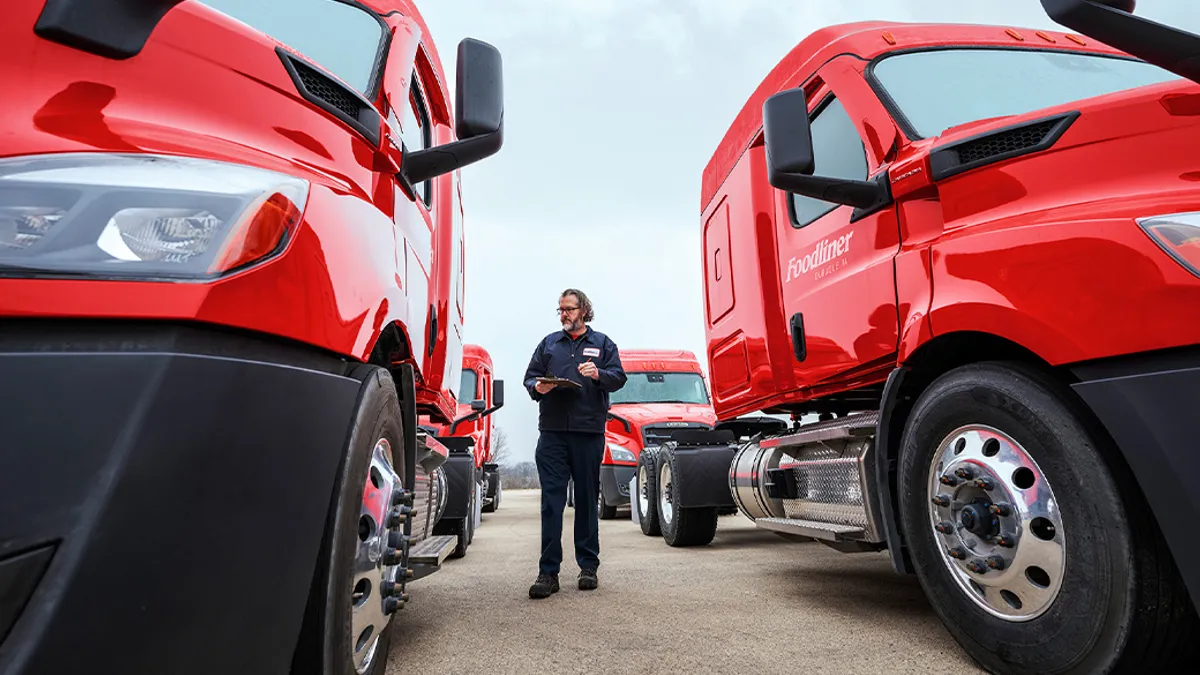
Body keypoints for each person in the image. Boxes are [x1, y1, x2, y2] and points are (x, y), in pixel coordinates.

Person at [523, 288, 626, 599]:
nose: (564, 314)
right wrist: (538, 386)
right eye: (561, 310)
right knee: (551, 503)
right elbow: (530, 377)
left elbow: (618, 377)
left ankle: (588, 566)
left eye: (569, 309)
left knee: (585, 499)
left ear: (584, 310)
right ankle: (548, 572)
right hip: (552, 433)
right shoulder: (549, 344)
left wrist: (598, 374)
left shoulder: (603, 344)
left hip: (587, 432)